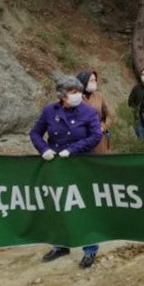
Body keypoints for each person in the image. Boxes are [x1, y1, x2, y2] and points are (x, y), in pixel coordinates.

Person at [30, 76, 102, 268]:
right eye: (72, 92)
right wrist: (44, 149)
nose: (77, 95)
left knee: (84, 206)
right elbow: (35, 133)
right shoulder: (49, 111)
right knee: (58, 204)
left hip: (82, 163)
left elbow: (96, 135)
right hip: (58, 166)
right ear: (62, 95)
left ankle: (90, 249)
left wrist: (72, 149)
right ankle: (60, 245)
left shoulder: (89, 112)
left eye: (78, 91)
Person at [76, 70, 115, 154]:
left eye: (95, 80)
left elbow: (110, 115)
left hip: (99, 137)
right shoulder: (75, 97)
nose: (94, 82)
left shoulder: (99, 96)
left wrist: (103, 127)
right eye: (91, 80)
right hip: (81, 138)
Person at [128, 68, 144, 139]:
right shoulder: (136, 88)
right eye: (143, 74)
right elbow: (131, 102)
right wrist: (136, 111)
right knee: (141, 138)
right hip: (139, 118)